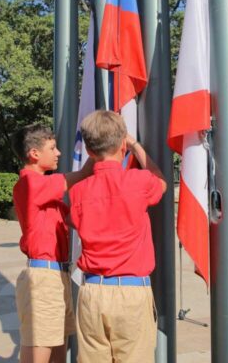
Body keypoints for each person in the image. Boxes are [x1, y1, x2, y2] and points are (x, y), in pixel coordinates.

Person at [68, 110, 167, 363]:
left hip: (92, 292)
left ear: (89, 152)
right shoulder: (139, 181)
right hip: (131, 294)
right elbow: (161, 181)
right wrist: (134, 144)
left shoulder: (78, 192)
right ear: (122, 143)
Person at [11, 123, 93, 363]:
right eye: (53, 148)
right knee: (39, 353)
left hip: (57, 277)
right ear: (34, 154)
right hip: (43, 279)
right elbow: (72, 178)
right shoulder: (30, 184)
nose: (58, 153)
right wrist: (92, 164)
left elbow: (75, 217)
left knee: (58, 353)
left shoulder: (46, 193)